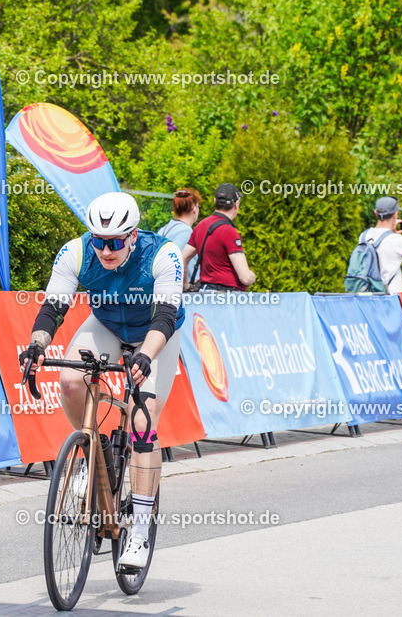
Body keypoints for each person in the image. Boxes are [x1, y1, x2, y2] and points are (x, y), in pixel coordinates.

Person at [18, 192, 184, 569]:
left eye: (114, 242)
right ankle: (90, 454)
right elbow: (53, 307)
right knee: (71, 381)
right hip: (107, 324)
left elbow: (166, 317)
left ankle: (139, 531)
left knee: (142, 424)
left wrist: (145, 355)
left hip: (156, 334)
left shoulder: (163, 254)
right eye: (99, 241)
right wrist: (36, 345)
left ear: (133, 235)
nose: (106, 250)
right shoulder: (75, 252)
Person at [181, 183, 256, 291]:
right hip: (227, 298)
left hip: (205, 292)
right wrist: (252, 276)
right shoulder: (229, 231)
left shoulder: (201, 226)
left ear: (215, 201)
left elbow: (182, 258)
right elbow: (245, 278)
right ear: (236, 204)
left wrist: (185, 285)